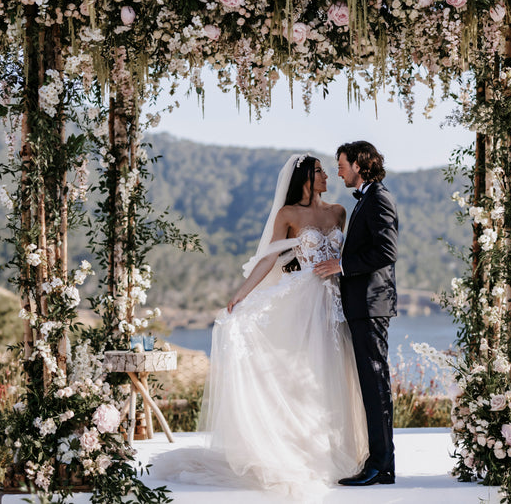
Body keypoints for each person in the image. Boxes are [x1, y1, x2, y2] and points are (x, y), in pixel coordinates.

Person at [149, 154, 368, 499]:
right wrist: (239, 295)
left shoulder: (339, 212)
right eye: (320, 171)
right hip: (304, 302)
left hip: (335, 304)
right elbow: (269, 257)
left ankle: (334, 448)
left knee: (332, 374)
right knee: (302, 373)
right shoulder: (288, 215)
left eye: (327, 170)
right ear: (305, 178)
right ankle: (299, 452)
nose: (327, 175)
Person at [314, 140, 398, 487]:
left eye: (342, 164)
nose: (338, 170)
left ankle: (380, 465)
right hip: (361, 307)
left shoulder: (378, 199)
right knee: (370, 385)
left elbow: (387, 251)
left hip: (371, 306)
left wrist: (342, 265)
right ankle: (381, 464)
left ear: (359, 165)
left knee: (375, 385)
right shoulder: (367, 199)